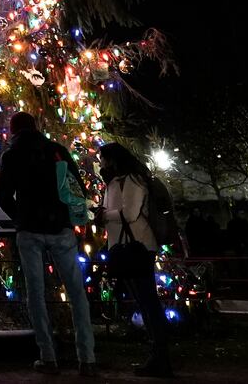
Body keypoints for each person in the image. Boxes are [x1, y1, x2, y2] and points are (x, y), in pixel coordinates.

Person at [0, 111, 97, 377]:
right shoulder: (57, 151)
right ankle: (86, 356)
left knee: (36, 294)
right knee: (76, 292)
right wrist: (68, 216)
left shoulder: (12, 155)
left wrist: (20, 217)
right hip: (60, 228)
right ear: (36, 127)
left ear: (13, 130)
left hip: (29, 230)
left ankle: (47, 355)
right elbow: (77, 189)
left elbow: (4, 196)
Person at [98, 142, 172, 377]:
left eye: (103, 159)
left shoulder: (131, 180)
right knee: (144, 300)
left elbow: (129, 213)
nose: (101, 164)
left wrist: (104, 215)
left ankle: (160, 355)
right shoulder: (117, 181)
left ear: (113, 160)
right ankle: (158, 354)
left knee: (147, 300)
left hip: (137, 246)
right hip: (128, 245)